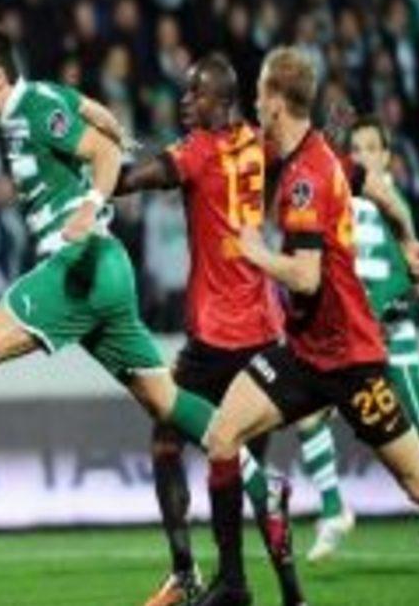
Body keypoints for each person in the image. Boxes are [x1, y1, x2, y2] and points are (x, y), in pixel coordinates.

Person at [0, 29, 289, 599]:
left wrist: (90, 205)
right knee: (165, 401)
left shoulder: (32, 109)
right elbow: (95, 113)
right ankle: (262, 484)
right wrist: (120, 131)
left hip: (78, 266)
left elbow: (102, 152)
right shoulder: (43, 98)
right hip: (108, 272)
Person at [192, 47, 419, 606]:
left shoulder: (308, 177)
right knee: (222, 435)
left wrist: (255, 253)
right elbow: (379, 189)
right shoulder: (319, 154)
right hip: (304, 353)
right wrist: (408, 240)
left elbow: (306, 276)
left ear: (277, 102)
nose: (255, 104)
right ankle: (234, 585)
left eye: (260, 93)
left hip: (351, 361)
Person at [113, 54, 302, 606]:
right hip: (264, 331)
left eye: (195, 93)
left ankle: (188, 572)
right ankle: (287, 594)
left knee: (167, 441)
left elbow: (134, 180)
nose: (185, 101)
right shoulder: (261, 143)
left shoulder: (197, 150)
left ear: (221, 100)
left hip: (214, 338)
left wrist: (90, 174)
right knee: (248, 469)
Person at [294, 116, 419, 562]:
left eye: (371, 149)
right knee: (308, 419)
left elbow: (406, 273)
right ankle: (334, 509)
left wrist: (378, 308)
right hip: (351, 340)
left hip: (391, 338)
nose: (362, 156)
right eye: (356, 149)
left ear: (386, 156)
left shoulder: (391, 204)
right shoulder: (345, 203)